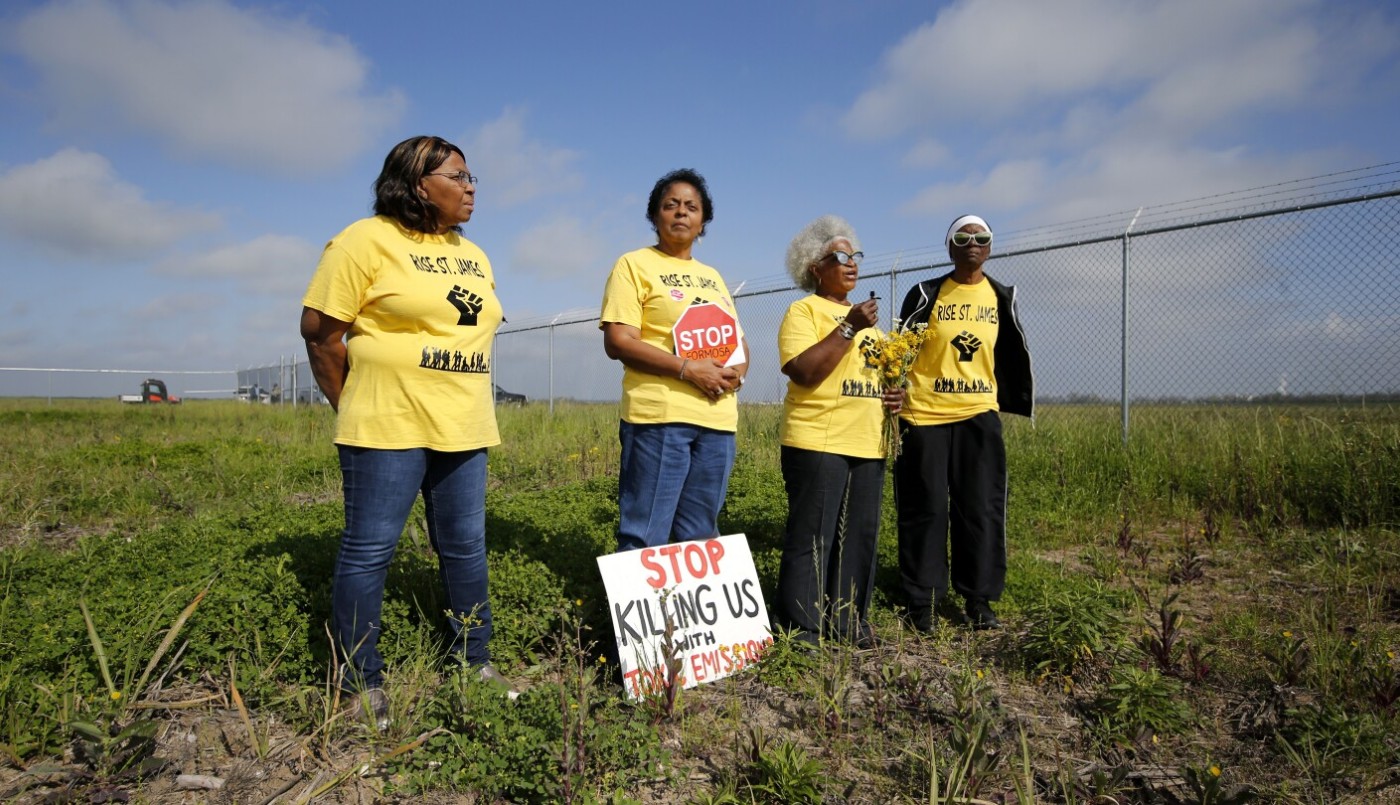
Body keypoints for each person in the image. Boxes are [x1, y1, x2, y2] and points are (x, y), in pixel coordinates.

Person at [300, 135, 515, 724]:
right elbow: (321, 335)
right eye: (459, 176)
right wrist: (357, 405)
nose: (471, 187)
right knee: (370, 552)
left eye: (473, 178)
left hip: (464, 425)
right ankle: (358, 683)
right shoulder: (363, 240)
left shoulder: (472, 253)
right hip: (385, 425)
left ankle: (476, 664)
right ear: (420, 184)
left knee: (466, 548)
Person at [894, 214, 1034, 631]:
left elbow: (1008, 352)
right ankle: (922, 600)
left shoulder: (1000, 296)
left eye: (981, 237)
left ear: (990, 248)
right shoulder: (925, 294)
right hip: (924, 415)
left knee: (980, 509)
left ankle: (979, 599)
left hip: (978, 416)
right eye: (963, 236)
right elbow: (900, 349)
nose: (972, 242)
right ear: (949, 246)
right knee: (926, 508)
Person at [600, 169, 749, 552]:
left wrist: (736, 373)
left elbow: (738, 342)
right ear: (655, 216)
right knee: (644, 533)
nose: (681, 213)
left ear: (703, 222)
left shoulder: (712, 276)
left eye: (691, 207)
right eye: (671, 205)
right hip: (659, 418)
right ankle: (640, 613)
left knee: (700, 534)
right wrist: (687, 368)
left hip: (717, 421)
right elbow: (619, 340)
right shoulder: (634, 265)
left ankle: (682, 614)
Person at [774, 215, 904, 647]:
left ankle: (848, 620)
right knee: (814, 535)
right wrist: (848, 326)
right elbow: (804, 372)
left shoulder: (875, 329)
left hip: (868, 443)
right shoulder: (803, 312)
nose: (851, 264)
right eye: (840, 257)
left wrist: (895, 396)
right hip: (818, 441)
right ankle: (802, 629)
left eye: (855, 256)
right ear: (816, 266)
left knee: (858, 537)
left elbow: (882, 381)